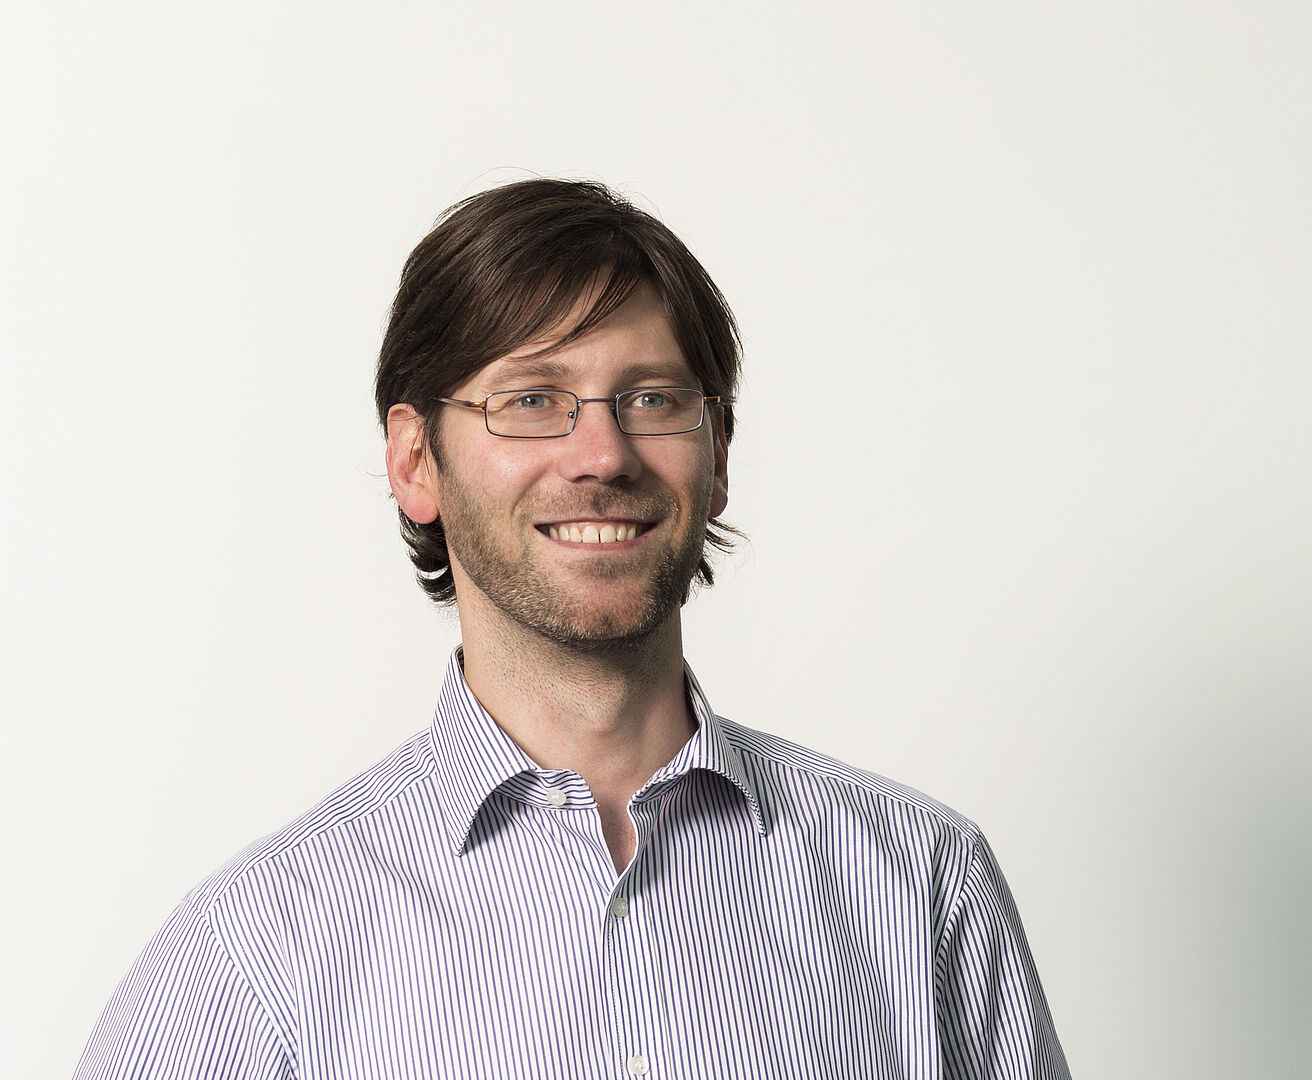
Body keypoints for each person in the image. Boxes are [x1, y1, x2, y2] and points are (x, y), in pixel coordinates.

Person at [74, 178, 1070, 1079]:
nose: (602, 454)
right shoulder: (259, 953)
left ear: (717, 454)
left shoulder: (921, 885)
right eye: (532, 400)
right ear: (414, 461)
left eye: (651, 398)